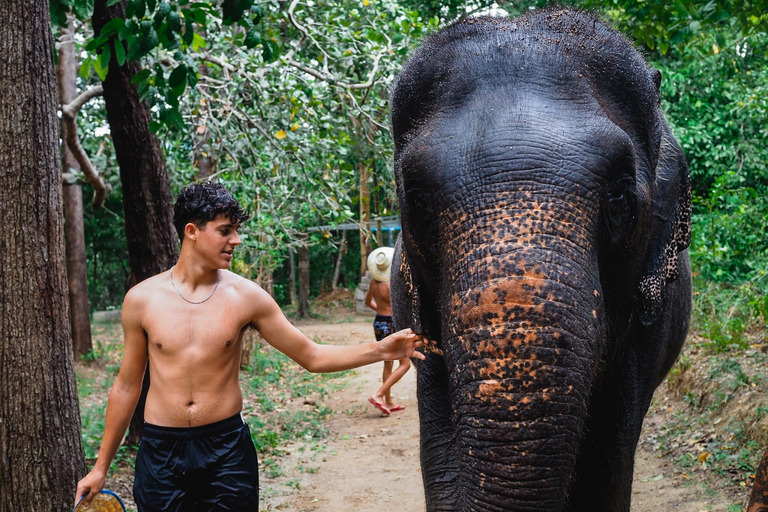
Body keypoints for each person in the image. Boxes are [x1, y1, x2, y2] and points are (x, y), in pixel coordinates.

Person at [74, 182, 427, 511]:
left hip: (226, 449)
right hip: (161, 451)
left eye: (236, 231)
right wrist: (100, 467)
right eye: (225, 231)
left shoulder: (247, 297)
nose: (236, 240)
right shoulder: (142, 300)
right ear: (192, 232)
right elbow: (126, 385)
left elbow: (312, 356)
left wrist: (381, 350)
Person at [364, 246, 411, 416]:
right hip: (392, 322)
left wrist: (381, 311)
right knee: (405, 364)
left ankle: (389, 402)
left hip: (379, 322)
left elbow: (367, 302)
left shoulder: (373, 283)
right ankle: (379, 394)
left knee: (387, 362)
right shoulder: (392, 284)